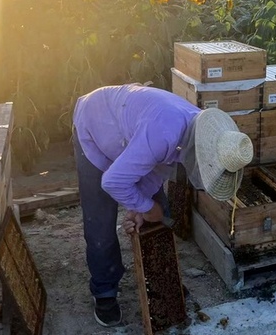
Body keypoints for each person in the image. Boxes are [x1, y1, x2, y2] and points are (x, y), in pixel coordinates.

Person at [72, 83, 253, 327]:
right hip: (94, 126)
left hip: (131, 135)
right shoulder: (164, 132)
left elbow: (156, 168)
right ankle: (104, 291)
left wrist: (139, 207)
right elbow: (113, 182)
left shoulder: (192, 131)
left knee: (159, 210)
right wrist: (145, 207)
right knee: (100, 221)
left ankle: (163, 283)